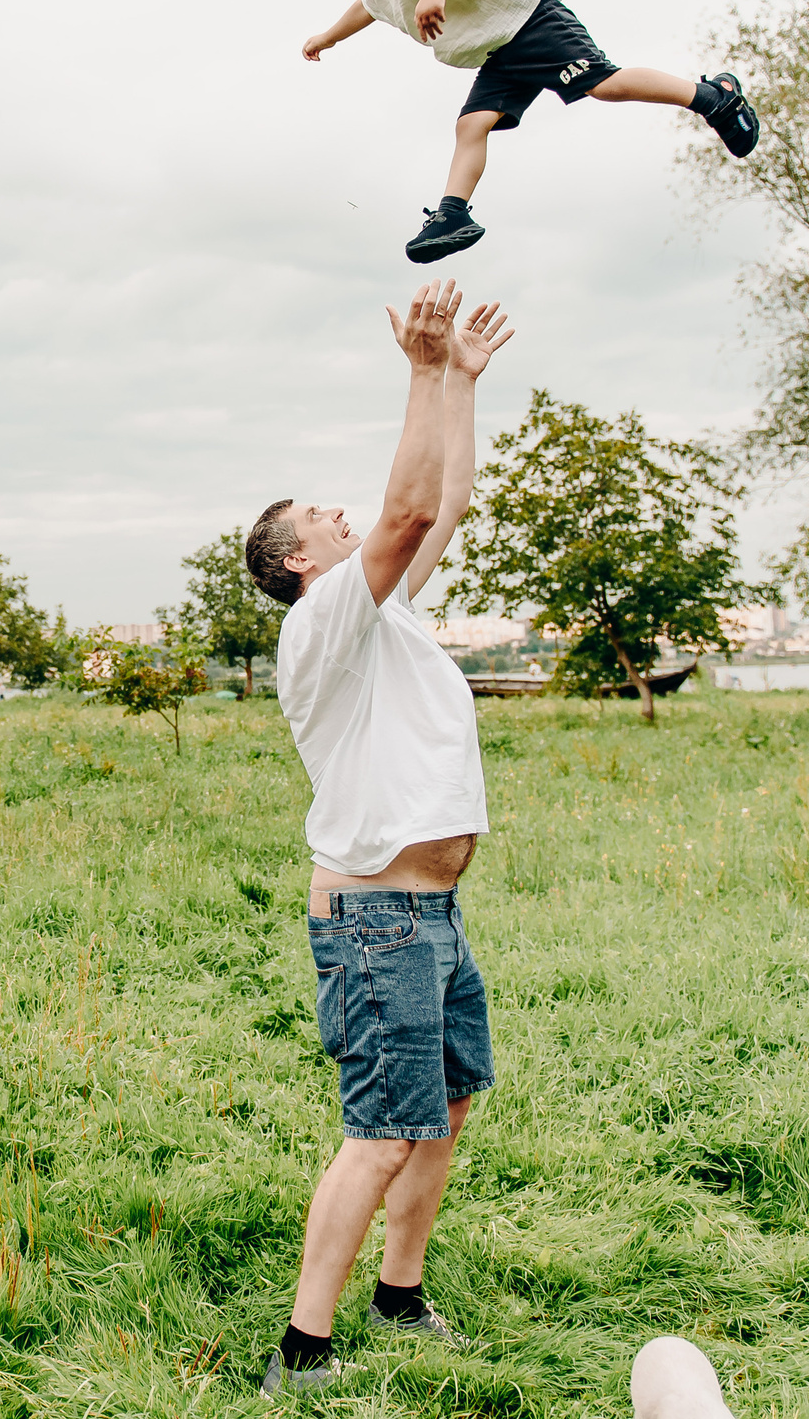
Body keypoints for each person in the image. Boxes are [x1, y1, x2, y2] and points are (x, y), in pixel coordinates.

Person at [243, 275, 513, 1395]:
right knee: (381, 1129)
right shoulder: (321, 625)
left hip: (431, 914)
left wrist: (454, 380)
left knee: (441, 1107)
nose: (344, 516)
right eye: (324, 517)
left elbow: (437, 508)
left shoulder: (379, 610)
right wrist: (415, 368)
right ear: (298, 560)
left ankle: (399, 1297)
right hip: (377, 921)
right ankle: (303, 1348)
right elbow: (404, 515)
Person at [300, 0, 761, 264]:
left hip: (531, 21)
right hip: (498, 54)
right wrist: (328, 37)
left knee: (604, 85)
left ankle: (714, 99)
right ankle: (452, 213)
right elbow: (366, 7)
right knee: (470, 126)